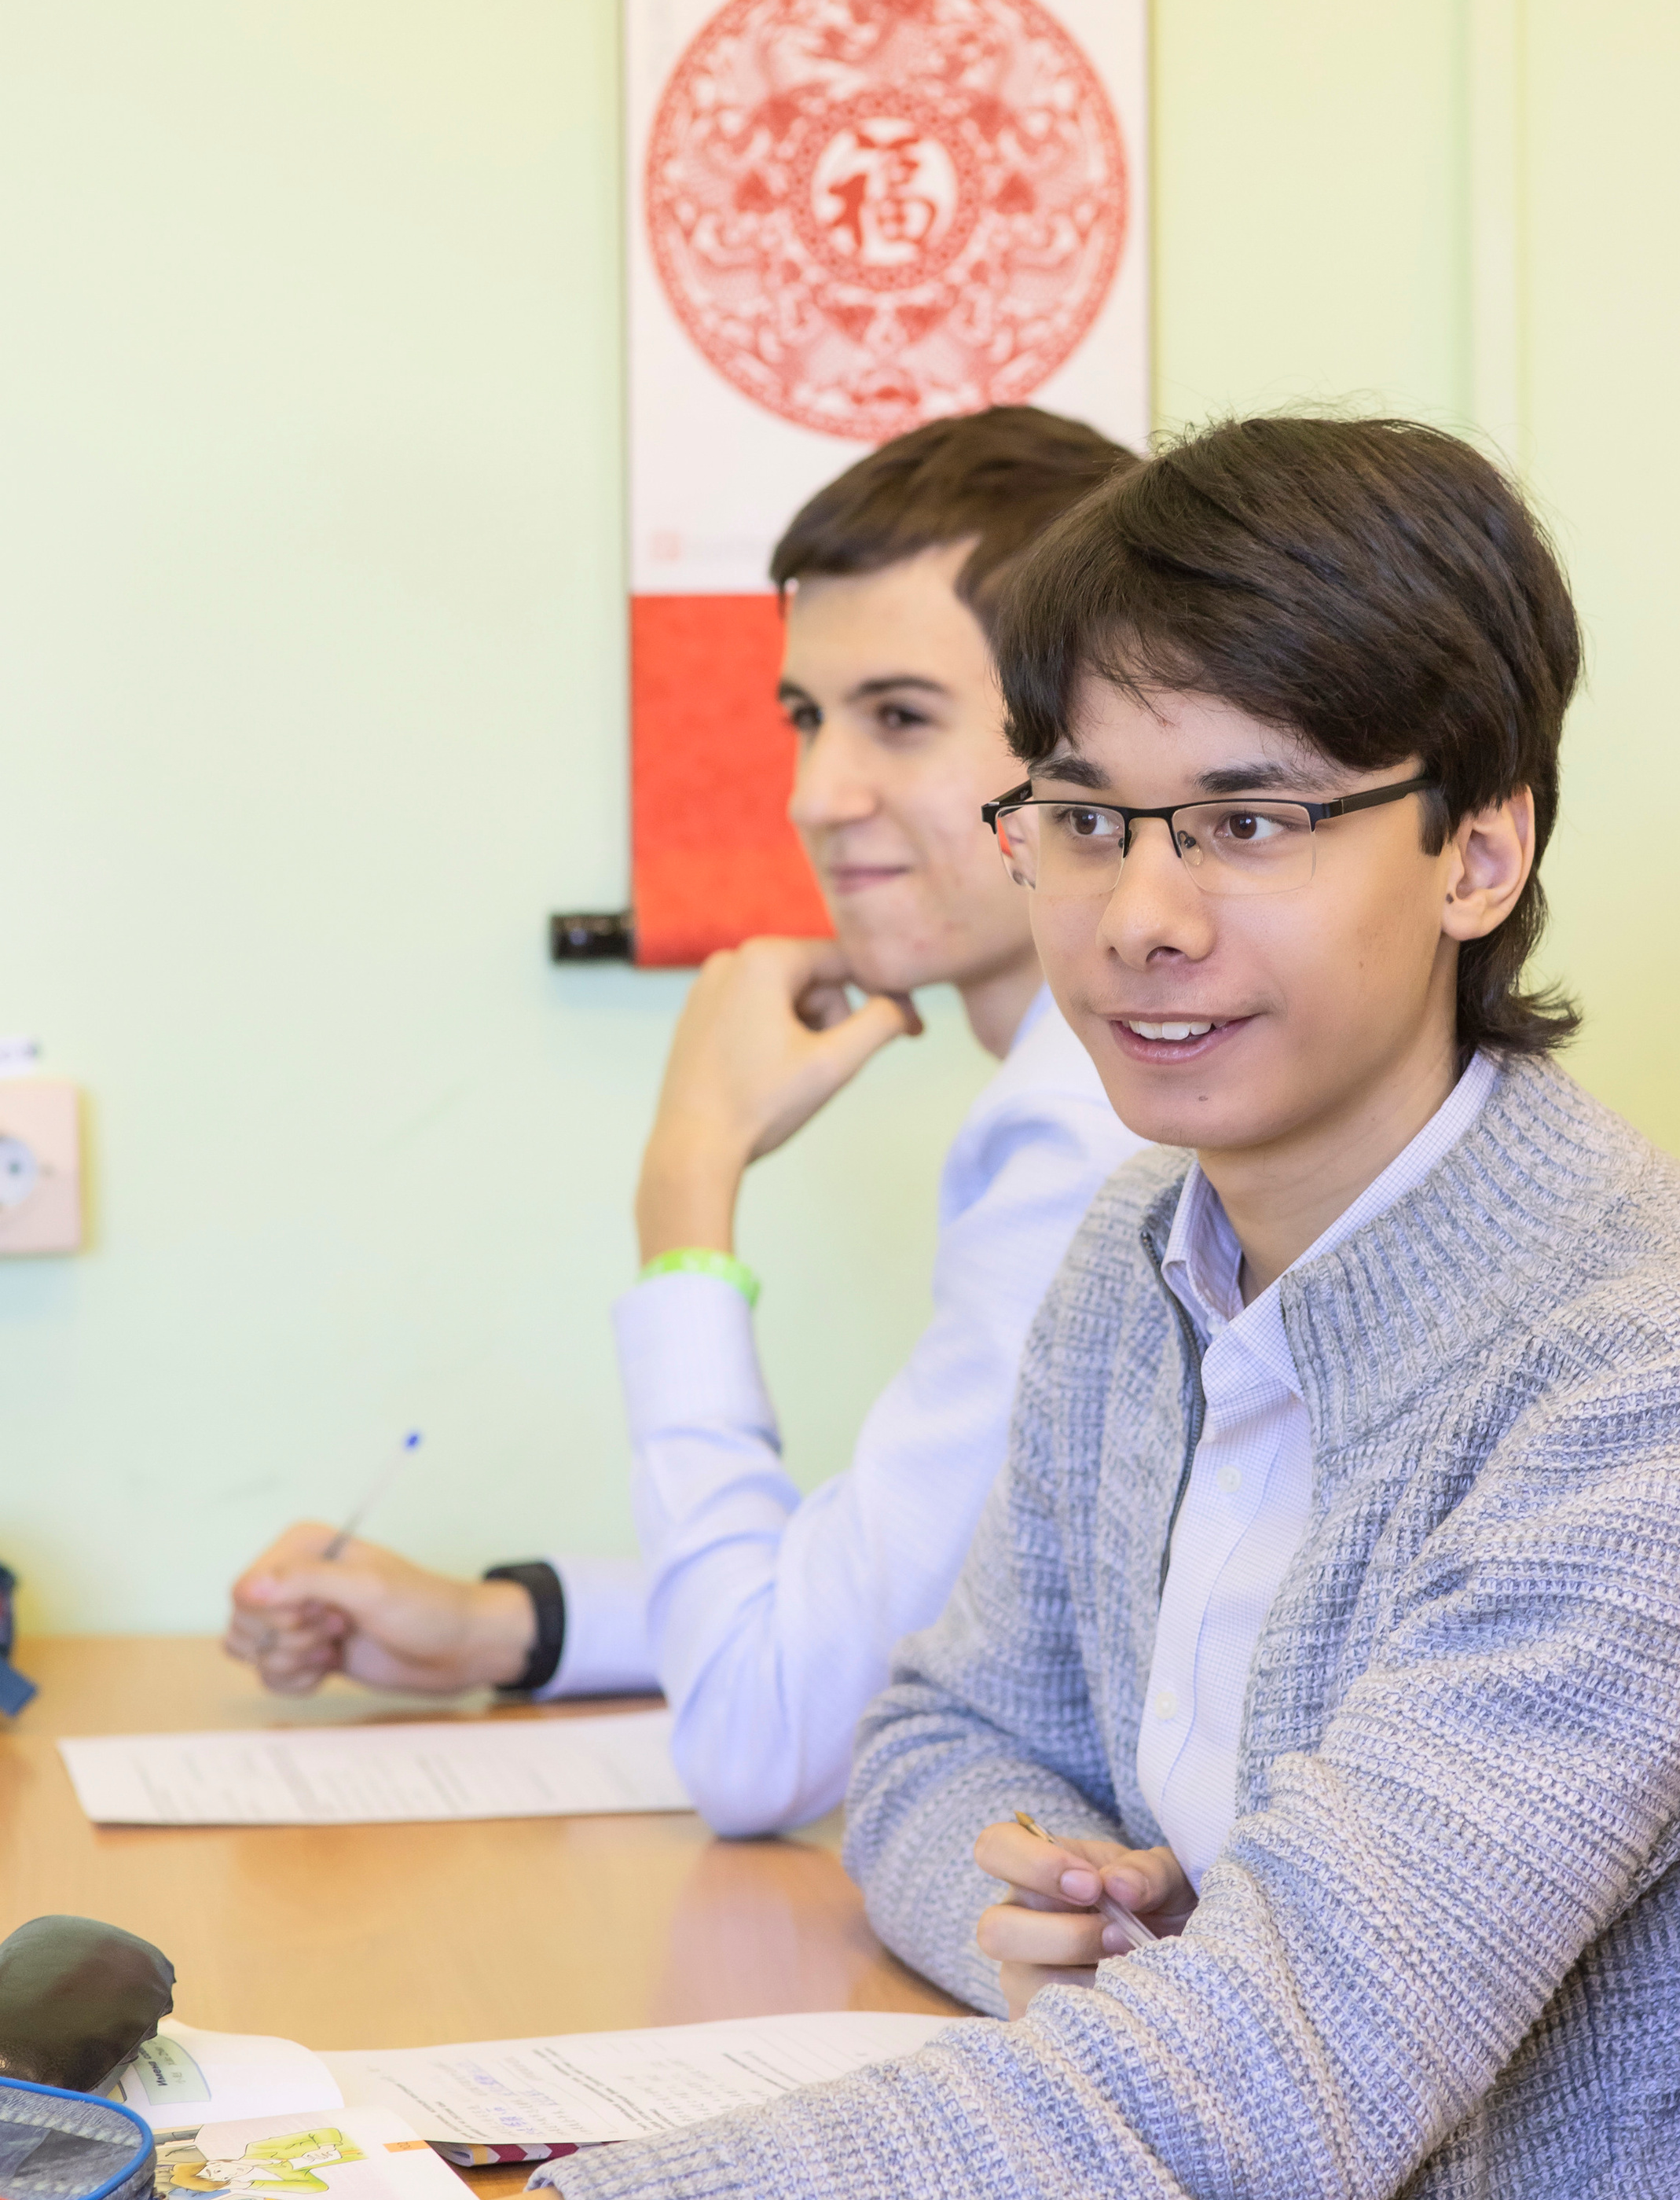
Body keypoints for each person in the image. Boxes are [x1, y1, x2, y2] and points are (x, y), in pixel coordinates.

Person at [24, 417, 1680, 2200]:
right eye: (1089, 811)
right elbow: (942, 1727)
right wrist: (1003, 1886)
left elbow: (1265, 2086)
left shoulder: (1664, 1381)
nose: (1137, 911)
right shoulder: (1155, 1249)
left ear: (1479, 844)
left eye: (1251, 820)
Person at [222, 407, 1144, 1833]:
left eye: (899, 717)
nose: (815, 795)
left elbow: (765, 1740)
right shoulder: (1071, 1095)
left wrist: (688, 1185)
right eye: (805, 719)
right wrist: (505, 1627)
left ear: (1091, 744)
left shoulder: (1083, 1137)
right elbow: (894, 1603)